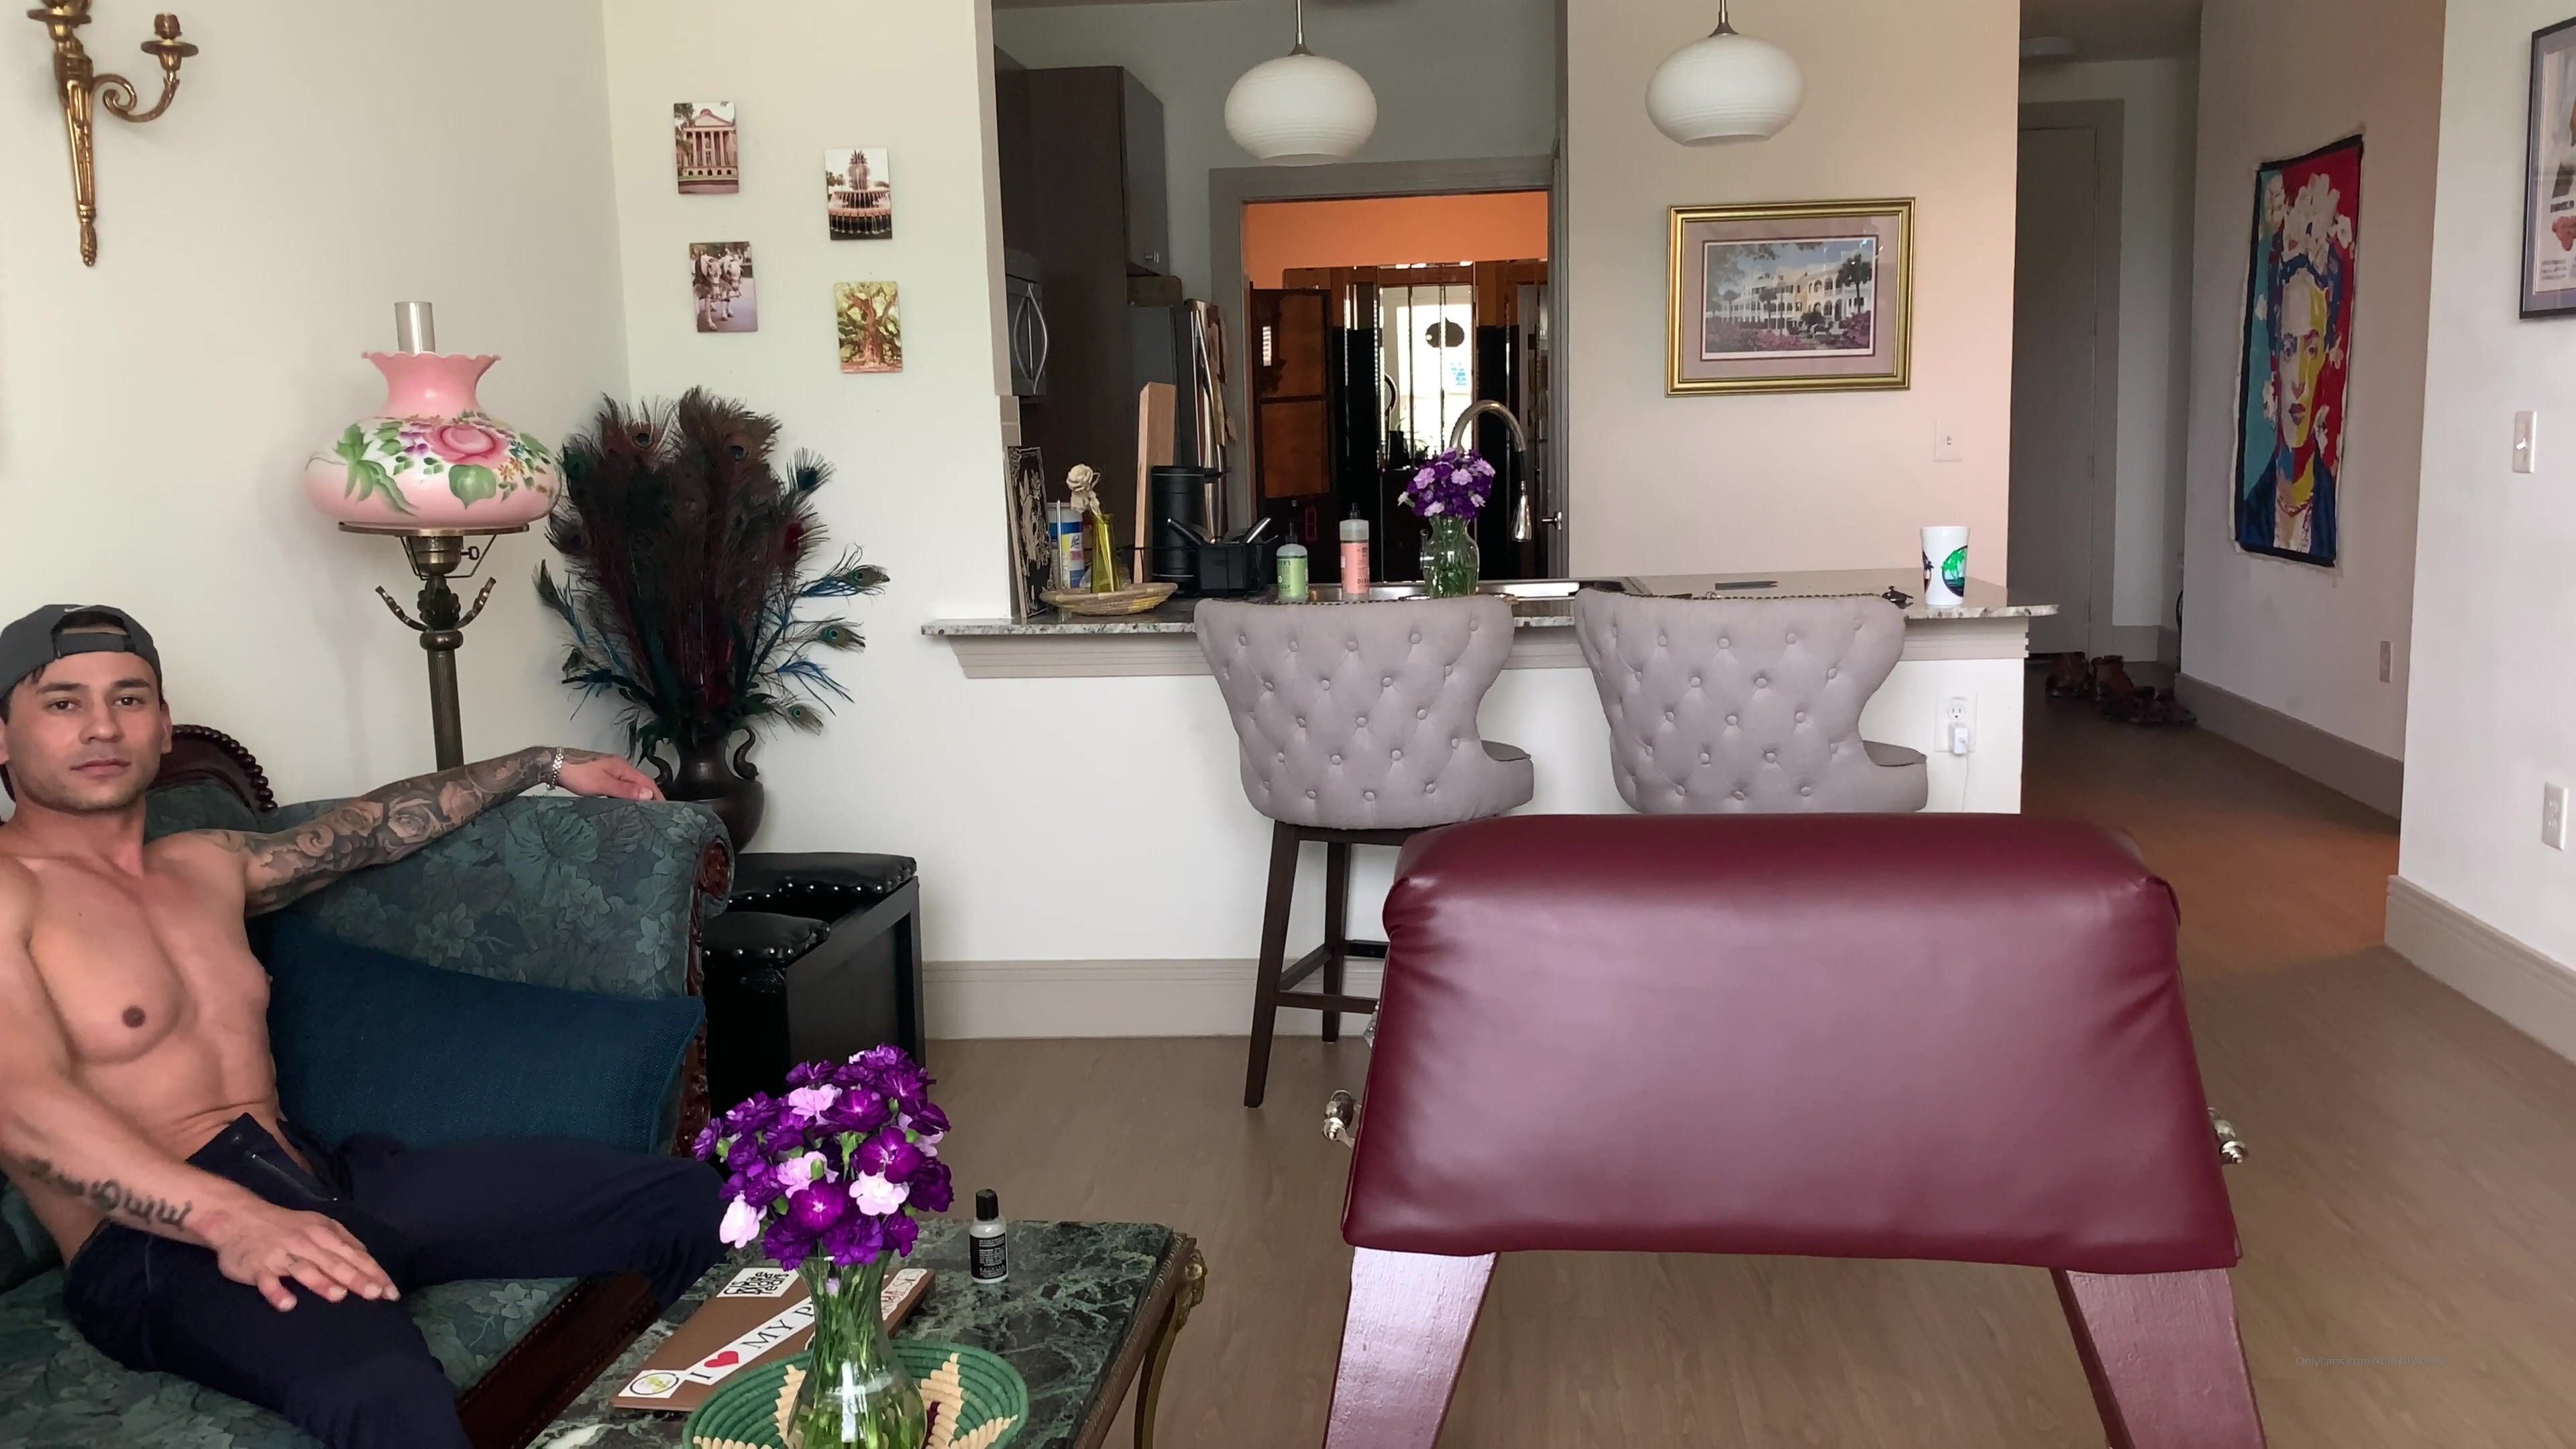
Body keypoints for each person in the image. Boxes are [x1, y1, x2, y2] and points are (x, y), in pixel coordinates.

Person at [0, 604, 724, 1449]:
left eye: (128, 698)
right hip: (157, 1242)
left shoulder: (206, 864)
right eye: (62, 703)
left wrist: (545, 763)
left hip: (320, 1174)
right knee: (387, 1399)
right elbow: (23, 1108)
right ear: (3, 738)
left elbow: (373, 829)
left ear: (163, 726)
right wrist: (231, 1219)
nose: (101, 725)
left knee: (693, 1203)